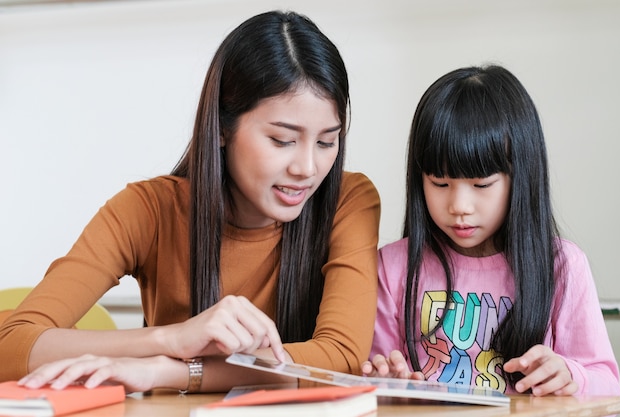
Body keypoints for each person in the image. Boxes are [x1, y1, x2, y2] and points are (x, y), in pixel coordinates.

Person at [0, 10, 381, 394]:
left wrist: (170, 371)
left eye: (326, 142)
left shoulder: (348, 200)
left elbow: (339, 356)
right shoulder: (147, 210)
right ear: (220, 127)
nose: (308, 167)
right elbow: (9, 345)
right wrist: (172, 339)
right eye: (282, 140)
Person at [362, 65, 620, 397]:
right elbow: (372, 376)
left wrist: (572, 376)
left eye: (481, 184)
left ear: (521, 176)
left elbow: (610, 390)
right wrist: (386, 382)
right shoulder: (393, 267)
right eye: (439, 183)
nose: (459, 206)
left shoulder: (562, 266)